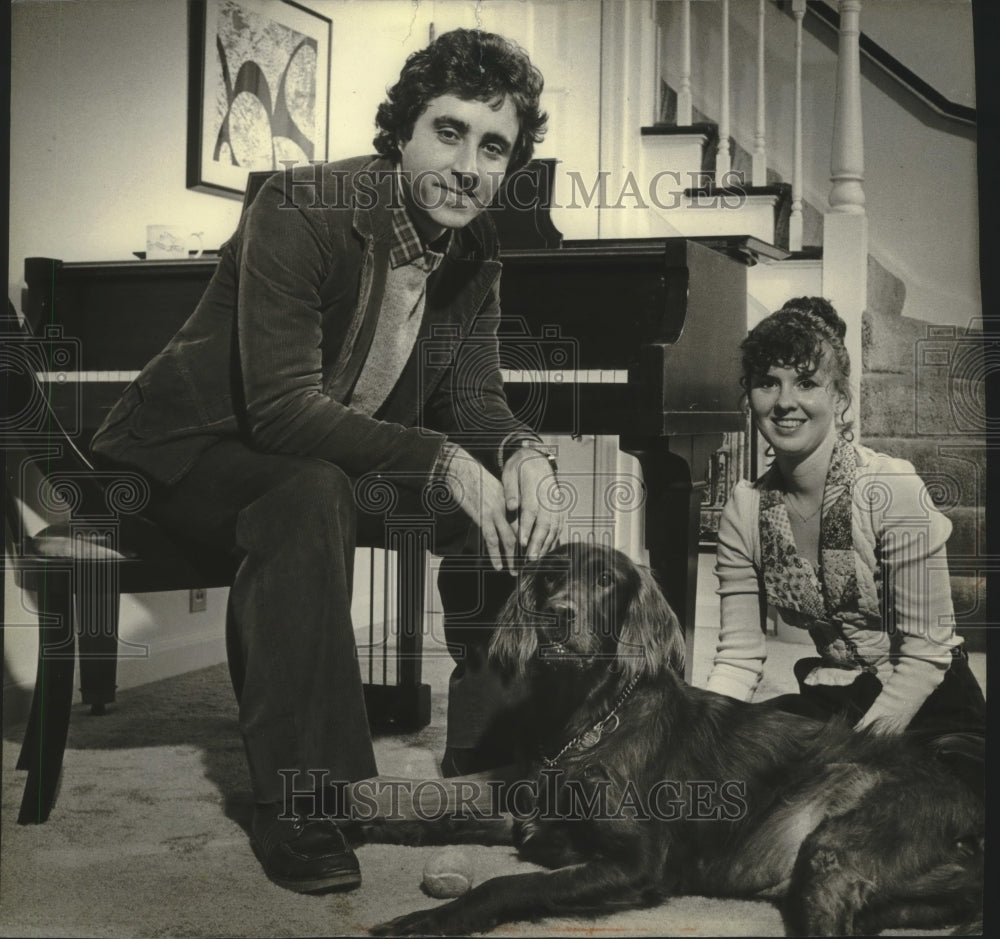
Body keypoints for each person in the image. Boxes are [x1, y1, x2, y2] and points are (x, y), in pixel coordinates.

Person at [91, 28, 566, 895]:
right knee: (309, 491)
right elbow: (278, 408)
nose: (468, 164)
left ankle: (495, 759)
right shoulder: (301, 206)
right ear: (402, 133)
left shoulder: (478, 249)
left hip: (316, 453)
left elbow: (475, 399)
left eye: (493, 147)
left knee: (491, 501)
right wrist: (442, 459)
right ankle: (308, 798)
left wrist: (523, 455)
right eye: (449, 131)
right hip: (182, 455)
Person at [707, 297, 985, 745]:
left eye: (806, 383)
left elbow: (925, 657)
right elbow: (739, 657)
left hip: (931, 708)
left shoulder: (891, 489)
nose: (784, 402)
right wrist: (702, 740)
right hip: (838, 701)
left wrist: (852, 757)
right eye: (767, 383)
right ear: (749, 396)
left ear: (839, 396)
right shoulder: (745, 509)